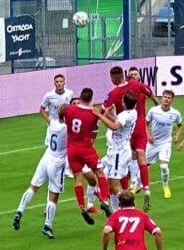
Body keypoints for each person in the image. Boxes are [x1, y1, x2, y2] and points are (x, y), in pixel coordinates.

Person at [60, 88, 116, 225]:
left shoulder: (68, 109)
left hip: (72, 149)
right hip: (86, 148)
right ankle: (104, 200)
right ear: (91, 98)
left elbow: (61, 109)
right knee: (100, 172)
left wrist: (62, 119)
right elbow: (94, 131)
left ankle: (82, 207)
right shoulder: (92, 114)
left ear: (80, 97)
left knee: (78, 179)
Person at [104, 65, 157, 203]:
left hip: (125, 131)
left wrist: (99, 115)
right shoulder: (138, 86)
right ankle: (144, 188)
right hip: (136, 126)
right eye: (132, 73)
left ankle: (125, 198)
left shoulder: (115, 93)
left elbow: (108, 115)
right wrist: (158, 105)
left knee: (116, 174)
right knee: (138, 158)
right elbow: (150, 93)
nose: (133, 75)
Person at [13, 115, 68, 239]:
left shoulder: (53, 123)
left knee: (33, 186)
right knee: (54, 195)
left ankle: (20, 210)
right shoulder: (66, 128)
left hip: (46, 156)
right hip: (57, 162)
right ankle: (47, 226)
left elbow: (44, 114)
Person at [99, 92, 139, 213]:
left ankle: (129, 211)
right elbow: (120, 124)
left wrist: (100, 116)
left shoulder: (124, 115)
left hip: (118, 153)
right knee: (111, 184)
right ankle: (116, 213)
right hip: (123, 150)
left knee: (116, 185)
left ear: (123, 102)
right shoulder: (133, 113)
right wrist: (109, 115)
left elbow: (115, 126)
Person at [143, 89, 183, 199]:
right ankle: (139, 185)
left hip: (165, 143)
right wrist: (148, 136)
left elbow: (180, 125)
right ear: (161, 98)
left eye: (169, 97)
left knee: (164, 166)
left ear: (172, 100)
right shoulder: (153, 111)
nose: (166, 99)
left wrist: (177, 136)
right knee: (144, 166)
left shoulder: (175, 113)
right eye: (165, 96)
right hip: (152, 143)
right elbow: (145, 124)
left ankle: (165, 186)